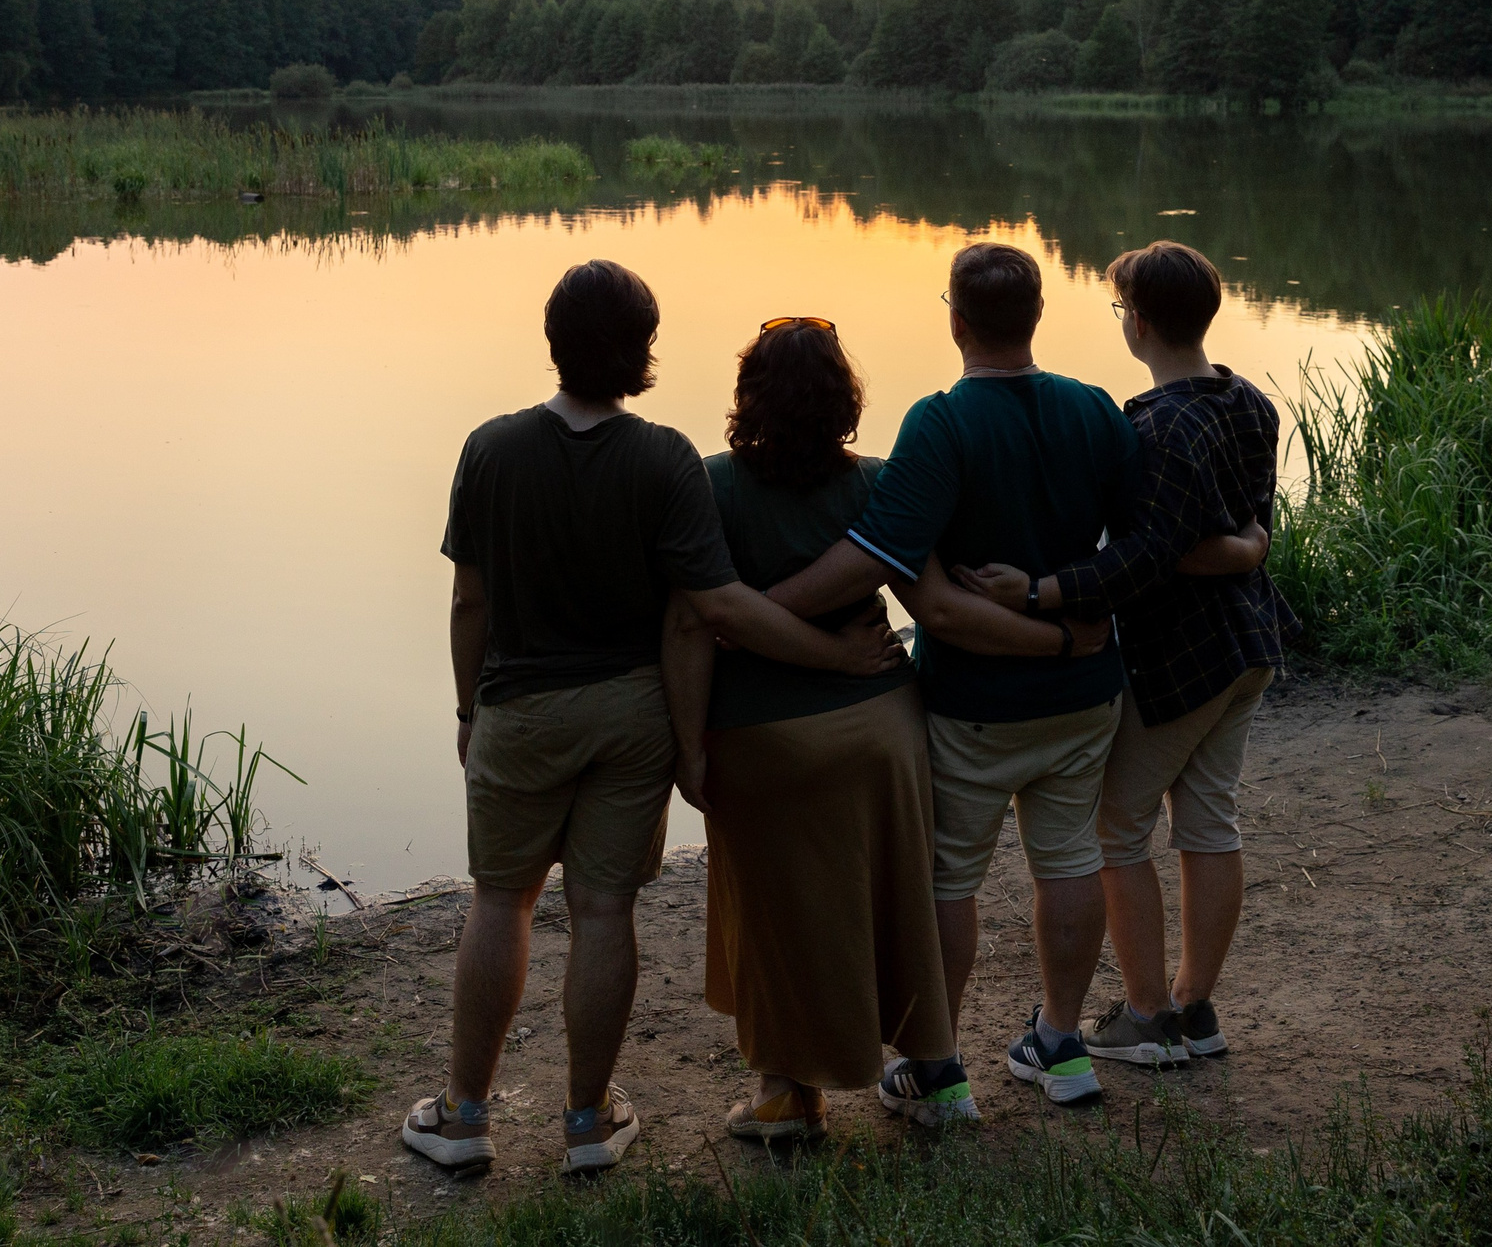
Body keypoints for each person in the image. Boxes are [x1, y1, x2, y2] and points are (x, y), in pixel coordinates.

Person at [403, 260, 905, 1177]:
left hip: (519, 708)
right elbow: (711, 606)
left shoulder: (491, 448)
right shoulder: (665, 458)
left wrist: (469, 707)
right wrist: (820, 663)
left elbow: (469, 602)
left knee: (500, 899)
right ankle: (588, 1124)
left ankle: (465, 1117)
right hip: (631, 716)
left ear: (553, 342)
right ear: (643, 352)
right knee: (603, 908)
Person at [661, 317, 1096, 1138]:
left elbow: (689, 626)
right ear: (845, 399)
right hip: (882, 730)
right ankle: (937, 1073)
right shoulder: (878, 484)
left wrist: (686, 749)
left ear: (748, 395)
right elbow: (931, 602)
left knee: (779, 915)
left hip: (762, 738)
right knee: (900, 902)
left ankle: (787, 1095)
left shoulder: (711, 486)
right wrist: (1060, 634)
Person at [762, 242, 1141, 1109]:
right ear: (1037, 315)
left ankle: (936, 1069)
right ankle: (1063, 1045)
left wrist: (754, 608)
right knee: (1070, 859)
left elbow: (877, 558)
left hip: (975, 706)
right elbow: (1135, 545)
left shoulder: (941, 422)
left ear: (957, 321)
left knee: (949, 880)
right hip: (1084, 697)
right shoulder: (1094, 408)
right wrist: (1065, 625)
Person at [958, 240, 1295, 1069]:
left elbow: (1147, 558)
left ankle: (1147, 1016)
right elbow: (1240, 528)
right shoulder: (1250, 401)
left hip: (1182, 659)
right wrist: (1247, 549)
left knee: (1116, 829)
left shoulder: (1153, 426)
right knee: (1209, 818)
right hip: (1248, 645)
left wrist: (1042, 591)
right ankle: (1194, 1007)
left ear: (1137, 322)